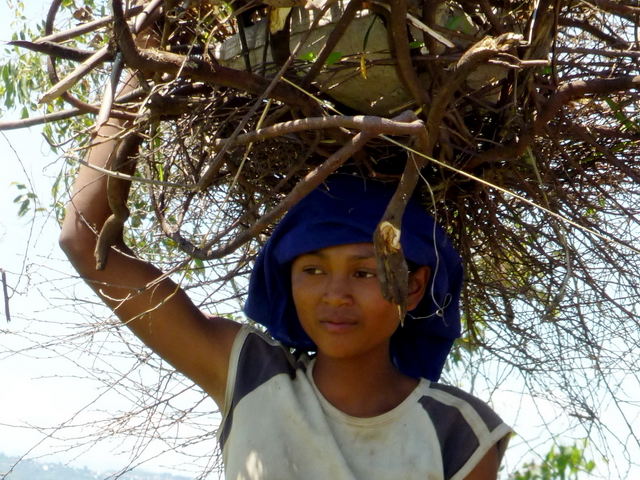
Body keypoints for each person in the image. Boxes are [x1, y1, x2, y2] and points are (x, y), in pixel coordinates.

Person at [59, 80, 511, 479]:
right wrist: (141, 75)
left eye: (364, 272)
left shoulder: (459, 433)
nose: (335, 294)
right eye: (312, 270)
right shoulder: (249, 373)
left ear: (413, 287)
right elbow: (84, 240)